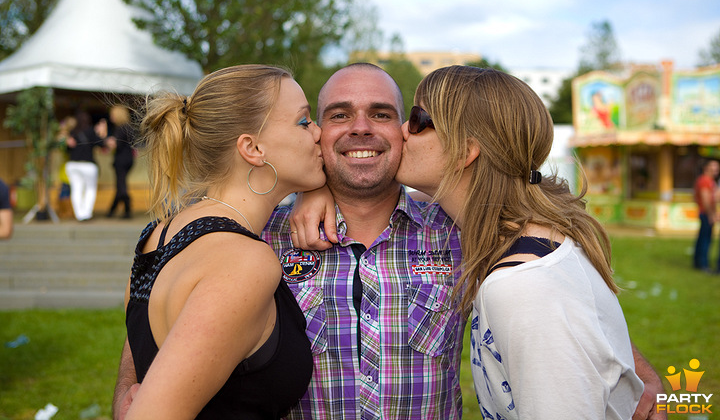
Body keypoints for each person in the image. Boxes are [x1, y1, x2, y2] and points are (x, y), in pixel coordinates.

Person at [115, 63, 666, 420]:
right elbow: (152, 353)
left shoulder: (461, 232)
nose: (361, 128)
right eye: (330, 117)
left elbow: (556, 296)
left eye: (384, 114)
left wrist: (635, 376)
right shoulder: (259, 241)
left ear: (403, 134)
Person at [395, 65, 646, 419]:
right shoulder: (532, 241)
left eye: (418, 119)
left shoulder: (522, 285)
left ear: (465, 150)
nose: (402, 131)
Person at [119, 65, 324, 419]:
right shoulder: (244, 260)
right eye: (304, 122)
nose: (319, 133)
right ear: (253, 148)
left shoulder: (158, 236)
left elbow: (141, 367)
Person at [64, 111, 107, 221]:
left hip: (73, 165)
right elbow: (102, 144)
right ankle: (86, 214)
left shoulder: (72, 132)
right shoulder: (91, 131)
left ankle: (79, 215)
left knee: (76, 189)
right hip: (88, 165)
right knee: (90, 189)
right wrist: (102, 133)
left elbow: (67, 149)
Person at [106, 105, 136, 219]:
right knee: (120, 184)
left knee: (121, 185)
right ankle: (112, 210)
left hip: (121, 159)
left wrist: (104, 138)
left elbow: (115, 145)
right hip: (129, 159)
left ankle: (127, 208)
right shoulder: (129, 127)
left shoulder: (120, 128)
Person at [693, 159, 719, 271]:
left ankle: (698, 262)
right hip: (705, 213)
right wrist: (711, 215)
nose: (715, 170)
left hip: (707, 212)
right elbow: (706, 200)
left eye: (717, 168)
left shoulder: (711, 181)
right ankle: (703, 264)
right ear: (706, 168)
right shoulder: (705, 180)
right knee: (705, 239)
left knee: (703, 238)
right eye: (712, 167)